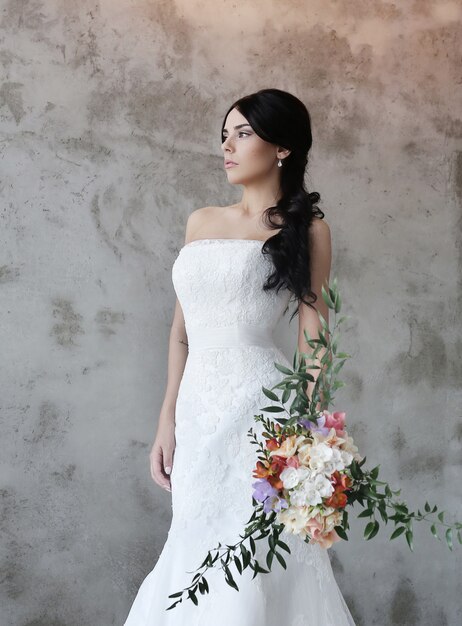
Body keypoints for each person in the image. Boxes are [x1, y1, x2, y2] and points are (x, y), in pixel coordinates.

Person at [123, 88, 356, 625]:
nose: (227, 146)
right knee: (196, 539)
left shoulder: (308, 230)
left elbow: (313, 332)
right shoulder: (200, 222)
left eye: (243, 133)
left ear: (283, 148)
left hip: (263, 408)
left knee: (257, 552)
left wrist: (309, 432)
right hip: (198, 410)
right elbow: (181, 333)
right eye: (224, 135)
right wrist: (166, 420)